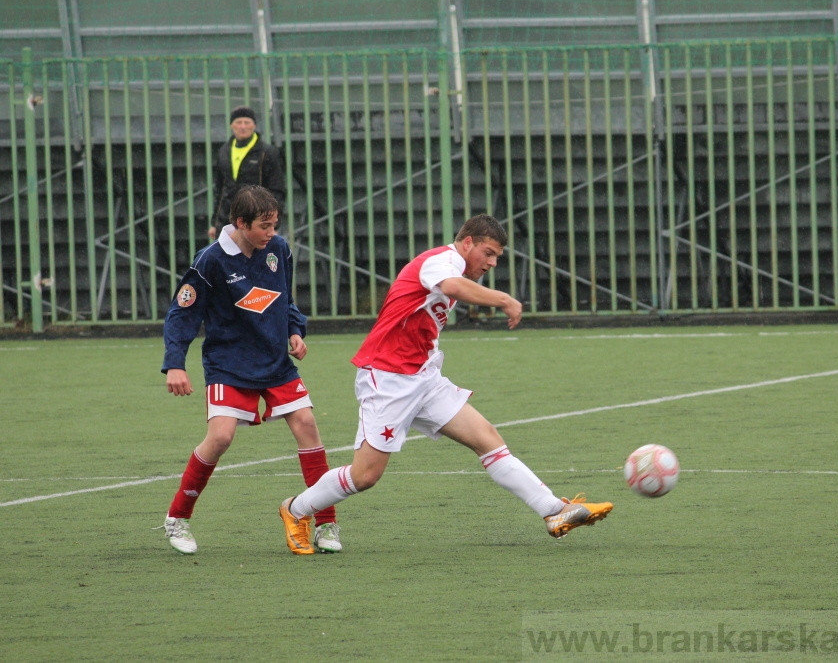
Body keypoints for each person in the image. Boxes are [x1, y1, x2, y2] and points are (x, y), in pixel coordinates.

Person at [276, 213, 613, 554]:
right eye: (488, 253)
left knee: (488, 440)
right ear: (467, 243)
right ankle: (295, 510)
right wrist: (504, 300)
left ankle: (554, 511)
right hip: (389, 379)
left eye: (498, 257)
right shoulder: (443, 260)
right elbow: (451, 287)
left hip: (424, 379)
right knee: (365, 476)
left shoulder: (453, 265)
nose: (493, 262)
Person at [159, 185, 340, 554]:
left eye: (274, 224)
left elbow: (286, 297)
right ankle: (177, 517)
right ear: (241, 223)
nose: (271, 233)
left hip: (276, 363)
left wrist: (294, 330)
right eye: (264, 226)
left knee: (307, 424)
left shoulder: (278, 248)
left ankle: (325, 523)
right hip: (229, 364)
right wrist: (175, 364)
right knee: (221, 437)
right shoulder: (210, 260)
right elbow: (182, 312)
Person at [208, 106, 285, 241]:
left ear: (254, 125)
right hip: (227, 223)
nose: (243, 127)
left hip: (257, 223)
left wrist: (273, 225)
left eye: (247, 122)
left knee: (255, 260)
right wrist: (215, 223)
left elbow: (276, 190)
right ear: (231, 125)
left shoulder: (267, 152)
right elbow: (219, 190)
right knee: (227, 261)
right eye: (238, 122)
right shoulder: (223, 152)